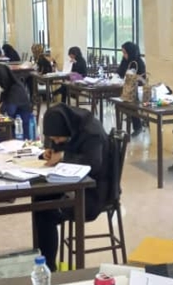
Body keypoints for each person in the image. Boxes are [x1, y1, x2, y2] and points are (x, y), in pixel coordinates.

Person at [33, 103, 113, 271]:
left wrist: (63, 155)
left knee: (45, 212)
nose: (56, 141)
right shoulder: (71, 125)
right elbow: (65, 146)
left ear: (66, 128)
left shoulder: (92, 132)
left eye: (57, 138)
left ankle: (48, 268)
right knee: (39, 200)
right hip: (75, 187)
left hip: (94, 194)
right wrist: (50, 152)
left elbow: (93, 164)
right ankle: (45, 263)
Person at [0, 65, 33, 138]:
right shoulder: (8, 88)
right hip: (13, 125)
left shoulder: (16, 90)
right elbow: (5, 106)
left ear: (2, 80)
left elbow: (9, 112)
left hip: (20, 130)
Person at [117, 41, 146, 136]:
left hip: (137, 90)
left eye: (125, 53)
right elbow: (120, 73)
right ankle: (130, 121)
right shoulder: (125, 61)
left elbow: (142, 79)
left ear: (130, 52)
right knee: (119, 103)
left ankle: (137, 126)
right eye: (123, 53)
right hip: (126, 88)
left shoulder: (139, 62)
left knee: (130, 104)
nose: (124, 55)